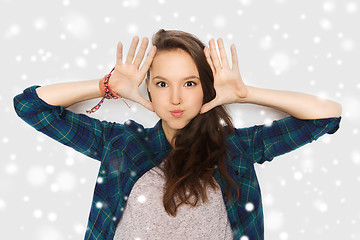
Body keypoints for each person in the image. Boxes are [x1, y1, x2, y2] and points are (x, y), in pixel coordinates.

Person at [13, 29, 342, 240]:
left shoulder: (236, 148)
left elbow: (326, 116)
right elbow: (30, 107)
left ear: (205, 89)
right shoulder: (123, 144)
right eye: (162, 84)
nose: (175, 99)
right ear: (149, 90)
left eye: (189, 83)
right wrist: (106, 86)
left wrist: (245, 92)